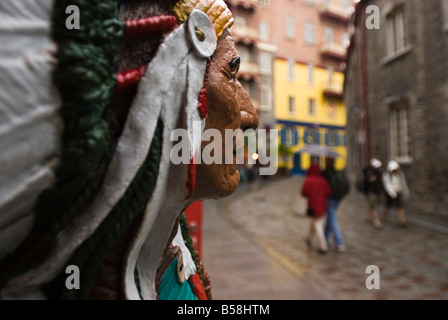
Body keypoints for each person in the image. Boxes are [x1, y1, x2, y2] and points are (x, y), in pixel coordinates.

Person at [302, 164, 333, 254]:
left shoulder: (309, 180)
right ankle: (309, 237)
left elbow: (304, 192)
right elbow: (329, 192)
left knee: (317, 225)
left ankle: (323, 246)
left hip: (313, 205)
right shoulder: (323, 181)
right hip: (323, 205)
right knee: (315, 221)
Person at [322, 157, 350, 253]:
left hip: (330, 198)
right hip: (338, 199)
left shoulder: (325, 173)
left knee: (332, 219)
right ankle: (325, 237)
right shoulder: (339, 172)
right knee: (330, 218)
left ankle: (339, 243)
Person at [382, 160, 410, 228]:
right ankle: (384, 217)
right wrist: (392, 193)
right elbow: (387, 185)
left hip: (398, 192)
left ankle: (402, 221)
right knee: (388, 205)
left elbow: (403, 183)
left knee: (400, 206)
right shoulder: (387, 175)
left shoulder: (400, 174)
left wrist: (405, 191)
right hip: (390, 193)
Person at [362, 158, 384, 229]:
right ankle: (376, 221)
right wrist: (370, 179)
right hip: (370, 192)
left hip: (377, 191)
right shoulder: (368, 172)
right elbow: (365, 182)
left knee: (372, 205)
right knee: (374, 206)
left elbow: (380, 182)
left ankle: (368, 217)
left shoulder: (379, 172)